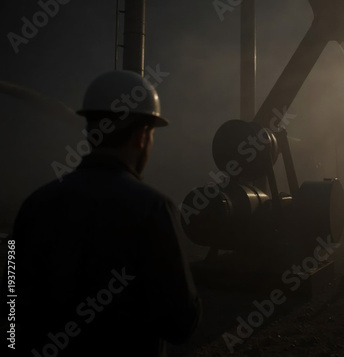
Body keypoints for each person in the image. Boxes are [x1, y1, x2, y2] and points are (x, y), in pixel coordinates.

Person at [10, 70, 201, 356]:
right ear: (141, 136)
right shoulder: (154, 209)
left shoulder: (34, 204)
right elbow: (180, 323)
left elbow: (10, 306)